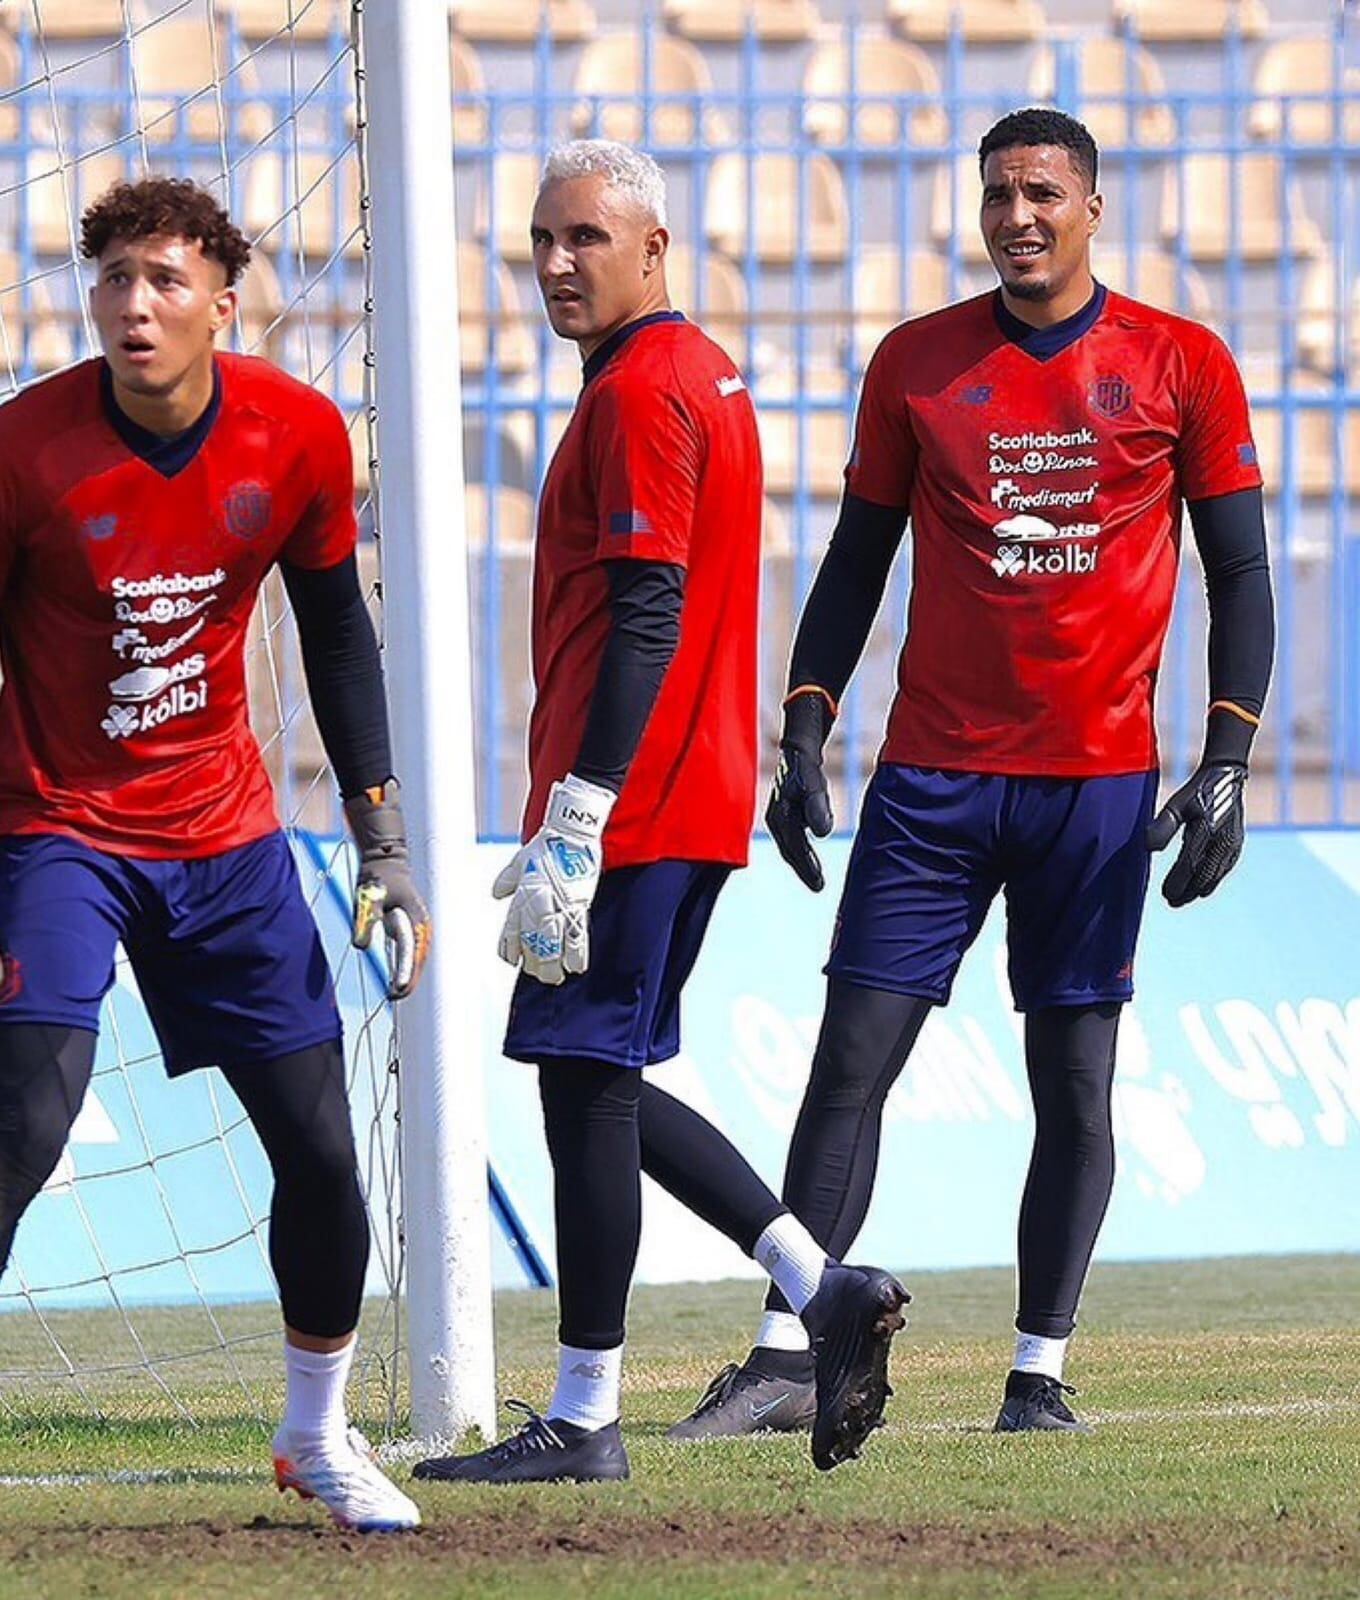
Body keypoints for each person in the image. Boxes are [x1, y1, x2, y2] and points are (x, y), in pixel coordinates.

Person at [0, 178, 431, 1547]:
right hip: (63, 834)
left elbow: (338, 639)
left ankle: (315, 1434)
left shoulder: (296, 435)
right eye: (112, 277)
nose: (134, 303)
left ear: (227, 301)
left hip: (227, 837)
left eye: (164, 279)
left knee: (325, 1156)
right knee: (26, 1132)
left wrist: (383, 843)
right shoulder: (12, 456)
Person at [673, 107, 1274, 1439]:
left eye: (1044, 192)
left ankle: (1038, 1375)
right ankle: (785, 1356)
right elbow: (856, 562)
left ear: (1091, 207)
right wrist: (806, 726)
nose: (1019, 214)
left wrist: (1229, 757)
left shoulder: (1182, 364)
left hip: (1098, 788)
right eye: (999, 192)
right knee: (851, 1061)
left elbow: (1239, 570)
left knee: (1075, 1085)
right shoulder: (917, 365)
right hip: (934, 783)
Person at [414, 140, 907, 1488]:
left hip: (637, 806)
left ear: (654, 248)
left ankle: (586, 1417)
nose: (558, 263)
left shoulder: (643, 390)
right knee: (596, 1075)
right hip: (673, 798)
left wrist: (581, 805)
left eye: (586, 237)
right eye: (541, 240)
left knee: (584, 1077)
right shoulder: (701, 374)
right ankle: (821, 1288)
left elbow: (647, 608)